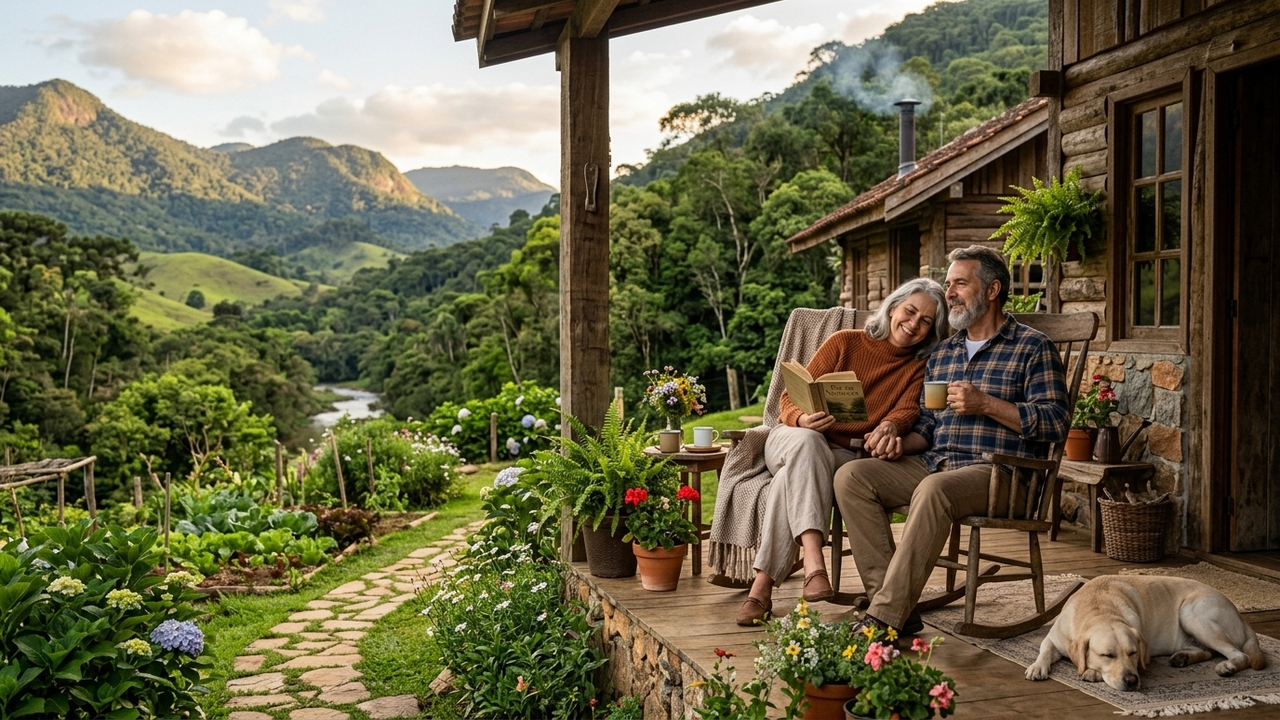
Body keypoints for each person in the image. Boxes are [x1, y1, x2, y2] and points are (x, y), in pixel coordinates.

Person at [832, 245, 1070, 636]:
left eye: (960, 283)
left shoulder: (1032, 348)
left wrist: (986, 404)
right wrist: (896, 438)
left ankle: (882, 619)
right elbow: (927, 424)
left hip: (1002, 474)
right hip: (936, 464)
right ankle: (894, 608)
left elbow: (1055, 423)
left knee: (934, 489)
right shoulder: (943, 353)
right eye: (948, 284)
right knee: (853, 477)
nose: (950, 293)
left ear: (992, 290)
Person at [735, 278, 948, 626]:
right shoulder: (844, 342)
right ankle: (814, 562)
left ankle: (761, 589)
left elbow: (908, 411)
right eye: (910, 311)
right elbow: (788, 398)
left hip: (841, 456)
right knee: (808, 444)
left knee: (789, 480)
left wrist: (890, 426)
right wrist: (803, 417)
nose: (913, 324)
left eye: (926, 321)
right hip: (792, 438)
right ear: (893, 307)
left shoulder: (917, 368)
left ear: (932, 330)